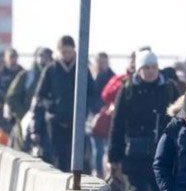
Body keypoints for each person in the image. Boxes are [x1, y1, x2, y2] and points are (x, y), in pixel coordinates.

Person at [108, 49, 178, 191]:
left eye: (153, 67)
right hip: (135, 155)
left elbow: (179, 118)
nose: (150, 72)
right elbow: (117, 123)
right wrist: (114, 156)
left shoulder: (168, 88)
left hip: (162, 153)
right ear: (139, 69)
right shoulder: (128, 89)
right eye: (146, 68)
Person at [31, 35, 99, 170]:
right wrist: (49, 109)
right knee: (58, 160)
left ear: (74, 51)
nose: (67, 55)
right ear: (59, 52)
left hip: (77, 124)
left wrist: (85, 111)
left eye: (69, 51)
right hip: (55, 123)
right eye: (63, 52)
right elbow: (39, 97)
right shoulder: (51, 70)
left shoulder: (82, 69)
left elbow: (92, 94)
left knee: (78, 161)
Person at [4, 46, 53, 151]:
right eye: (41, 56)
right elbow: (12, 97)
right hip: (24, 127)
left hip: (48, 127)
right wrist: (24, 115)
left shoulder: (53, 77)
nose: (44, 59)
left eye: (47, 57)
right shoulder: (27, 76)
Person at [89, 52, 115, 177]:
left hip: (108, 119)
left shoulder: (113, 78)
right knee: (97, 150)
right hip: (94, 118)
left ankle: (107, 174)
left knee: (106, 149)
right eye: (99, 62)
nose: (101, 64)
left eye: (104, 62)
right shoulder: (92, 77)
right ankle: (98, 173)